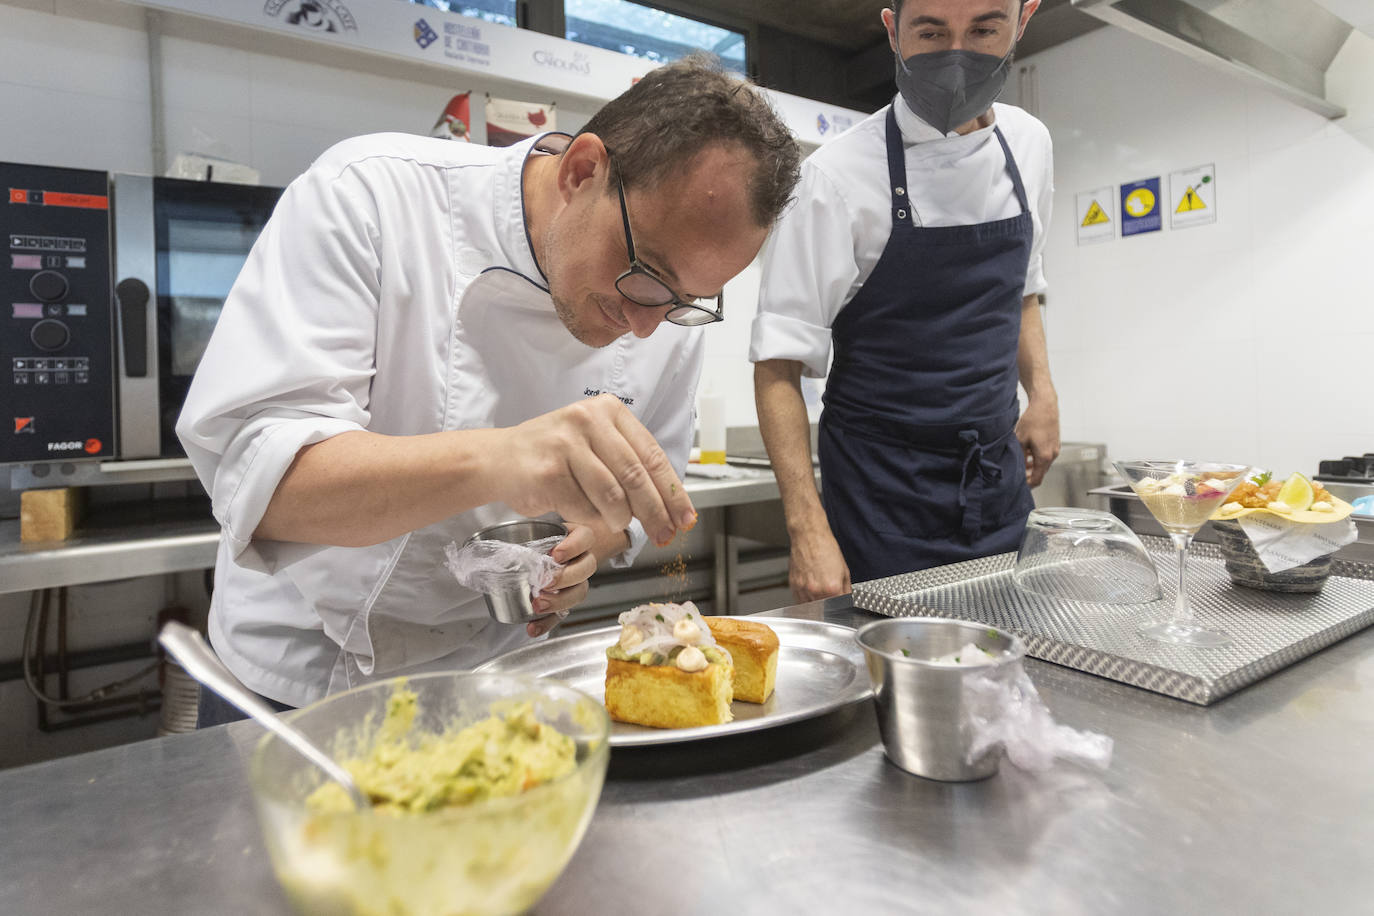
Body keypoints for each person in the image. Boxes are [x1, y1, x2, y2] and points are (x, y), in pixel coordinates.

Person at [178, 56, 801, 722]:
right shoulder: (370, 196)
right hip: (298, 685)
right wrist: (505, 458)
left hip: (498, 679)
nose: (649, 324)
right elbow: (263, 489)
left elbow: (642, 498)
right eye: (646, 272)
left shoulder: (666, 309)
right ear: (581, 171)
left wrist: (594, 541)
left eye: (688, 301)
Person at [751, 0, 1059, 601]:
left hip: (996, 482)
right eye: (932, 31)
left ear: (1022, 23)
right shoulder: (836, 178)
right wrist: (807, 527)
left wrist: (1042, 390)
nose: (957, 57)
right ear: (893, 31)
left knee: (1011, 672)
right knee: (893, 686)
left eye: (985, 29)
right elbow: (778, 367)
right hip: (880, 496)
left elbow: (1022, 285)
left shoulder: (1030, 143)